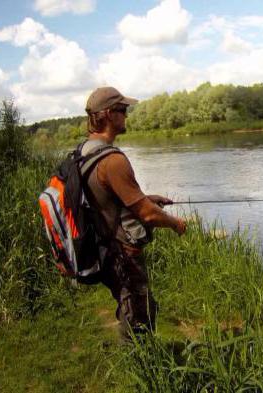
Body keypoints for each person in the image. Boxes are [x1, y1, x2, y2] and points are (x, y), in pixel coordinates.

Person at [82, 86, 186, 340]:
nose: (126, 115)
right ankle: (140, 368)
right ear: (107, 114)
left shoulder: (85, 151)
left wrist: (147, 199)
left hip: (103, 248)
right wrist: (175, 223)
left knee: (131, 305)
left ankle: (139, 359)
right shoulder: (113, 161)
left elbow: (105, 197)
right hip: (122, 253)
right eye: (123, 110)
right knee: (139, 314)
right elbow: (148, 215)